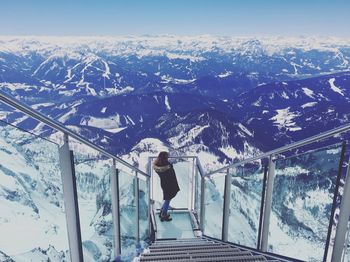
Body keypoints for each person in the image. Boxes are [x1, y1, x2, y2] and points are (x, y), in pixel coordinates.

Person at [152, 151, 180, 222]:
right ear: (165, 158)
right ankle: (164, 215)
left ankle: (162, 210)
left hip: (164, 184)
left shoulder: (157, 166)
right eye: (167, 156)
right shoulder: (168, 166)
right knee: (168, 199)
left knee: (167, 198)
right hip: (170, 184)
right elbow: (172, 175)